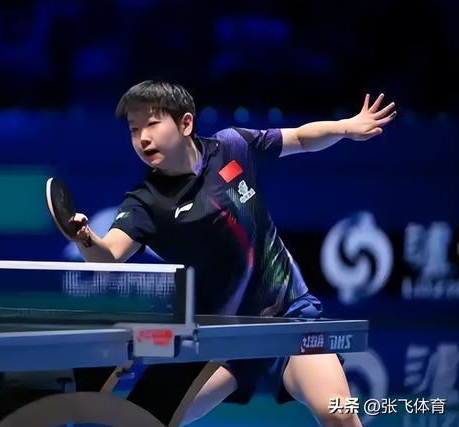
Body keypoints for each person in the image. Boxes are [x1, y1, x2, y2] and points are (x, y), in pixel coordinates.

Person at [66, 80, 396, 426]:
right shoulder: (145, 202)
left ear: (185, 123)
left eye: (151, 124)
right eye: (134, 130)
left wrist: (345, 127)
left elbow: (299, 138)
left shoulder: (231, 146)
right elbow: (109, 255)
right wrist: (84, 237)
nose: (142, 138)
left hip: (289, 318)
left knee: (339, 414)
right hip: (222, 339)